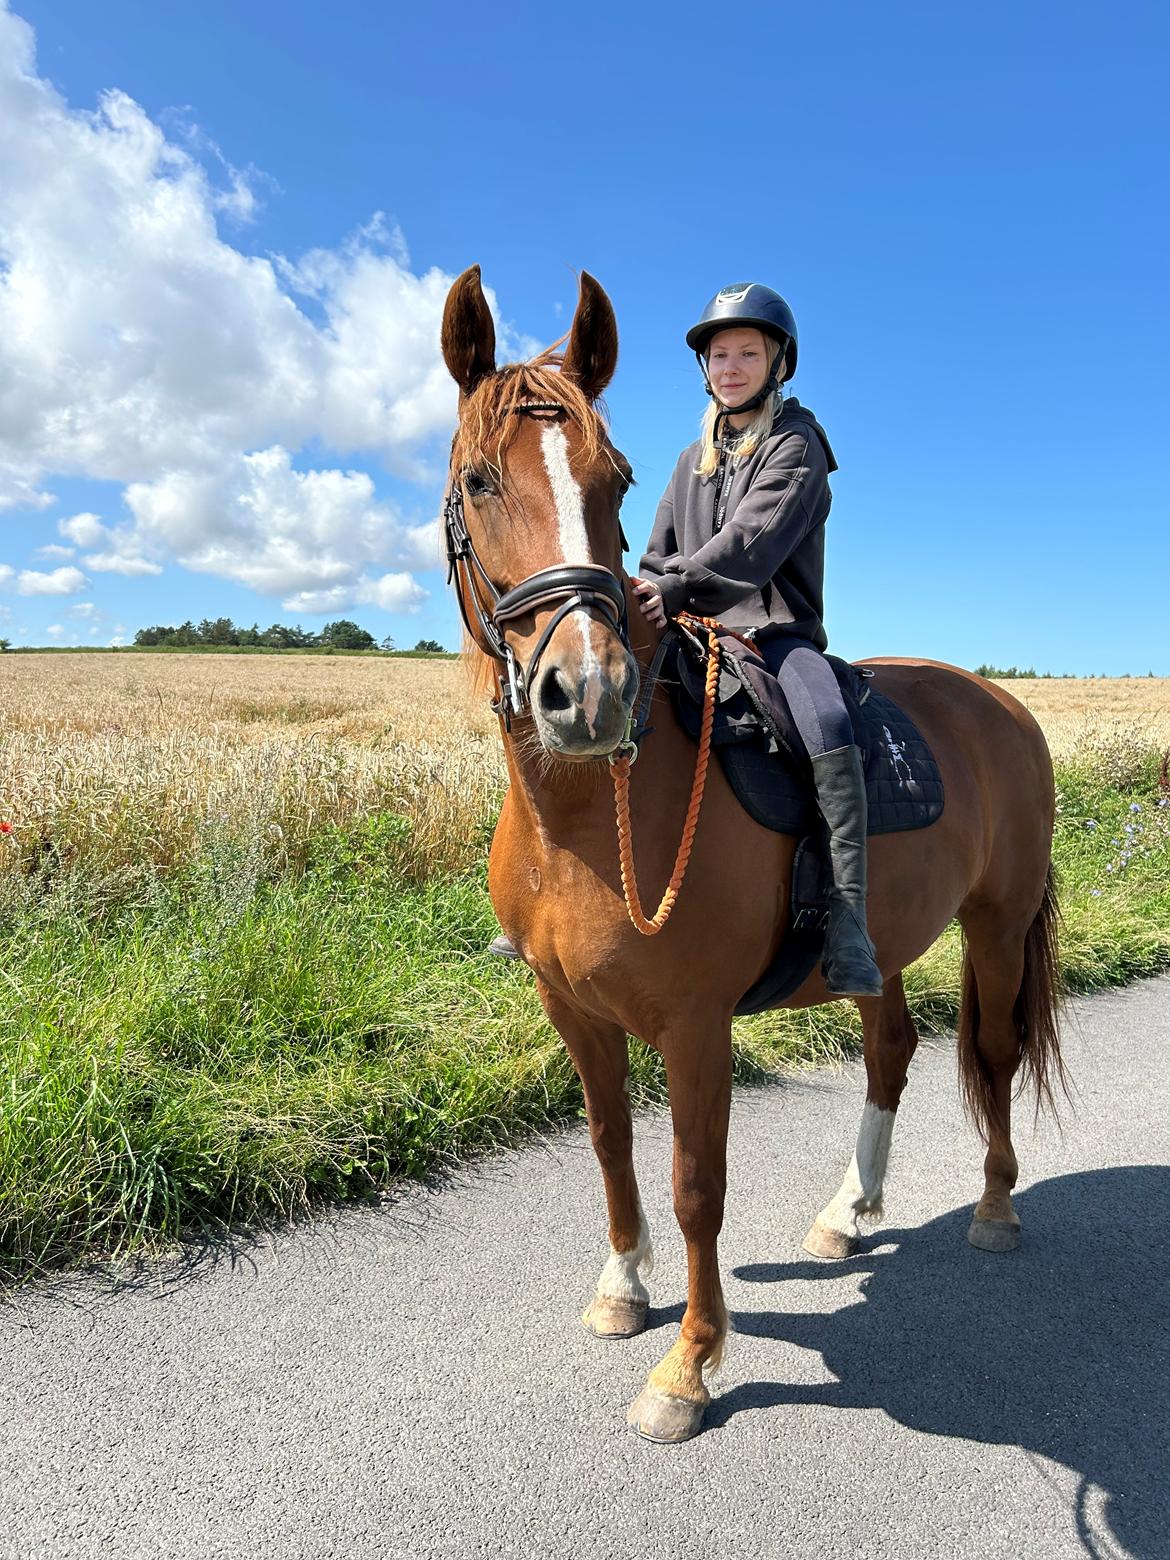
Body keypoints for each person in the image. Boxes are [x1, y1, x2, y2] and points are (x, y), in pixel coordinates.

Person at [630, 282, 883, 997]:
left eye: (747, 352)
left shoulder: (799, 444)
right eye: (719, 354)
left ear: (778, 363)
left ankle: (849, 921)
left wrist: (675, 588)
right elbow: (656, 555)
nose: (731, 366)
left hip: (773, 635)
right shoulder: (691, 460)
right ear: (704, 368)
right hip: (688, 627)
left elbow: (752, 546)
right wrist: (645, 600)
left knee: (828, 722)